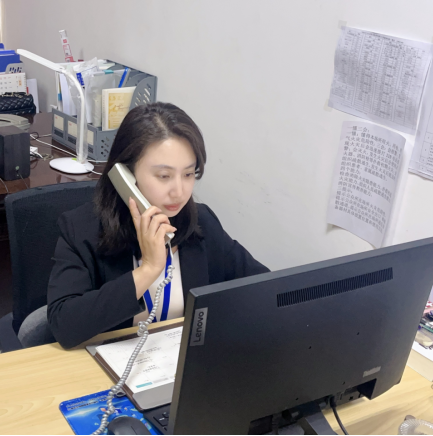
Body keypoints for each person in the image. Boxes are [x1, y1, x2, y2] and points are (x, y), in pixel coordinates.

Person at [47, 102, 269, 349]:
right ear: (125, 175)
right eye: (164, 176)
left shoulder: (201, 222)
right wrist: (148, 270)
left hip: (182, 364)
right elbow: (64, 325)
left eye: (189, 174)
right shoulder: (81, 229)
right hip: (104, 366)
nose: (179, 192)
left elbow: (265, 287)